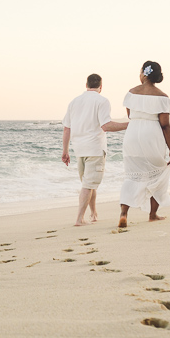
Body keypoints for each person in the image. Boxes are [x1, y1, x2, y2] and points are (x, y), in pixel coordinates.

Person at [62, 74, 129, 226]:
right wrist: (129, 124)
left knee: (88, 184)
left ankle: (93, 214)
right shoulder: (102, 100)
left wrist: (65, 151)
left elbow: (67, 128)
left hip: (79, 150)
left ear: (86, 85)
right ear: (101, 87)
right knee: (88, 185)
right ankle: (79, 219)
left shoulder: (74, 102)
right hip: (95, 149)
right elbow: (106, 126)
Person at [119, 61, 170, 228]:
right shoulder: (163, 97)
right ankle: (152, 214)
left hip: (132, 135)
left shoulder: (131, 93)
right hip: (152, 134)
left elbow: (130, 115)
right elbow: (165, 124)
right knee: (158, 173)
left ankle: (123, 213)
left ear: (143, 73)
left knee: (131, 175)